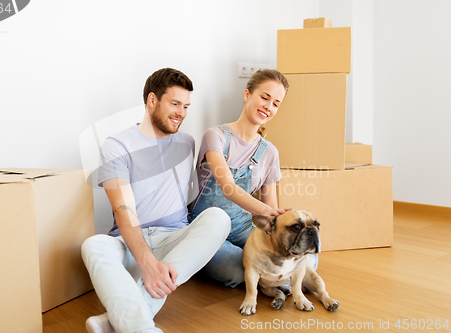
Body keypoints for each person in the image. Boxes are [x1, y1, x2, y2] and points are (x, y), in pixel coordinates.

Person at [81, 68, 231, 333]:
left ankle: (119, 323)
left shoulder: (188, 143)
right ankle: (137, 328)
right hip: (130, 242)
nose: (181, 113)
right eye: (174, 104)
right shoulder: (117, 144)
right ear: (152, 100)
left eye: (185, 106)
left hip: (174, 240)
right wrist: (147, 264)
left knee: (219, 218)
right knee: (93, 245)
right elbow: (122, 208)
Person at [188, 69, 318, 288]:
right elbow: (228, 187)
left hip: (243, 223)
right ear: (247, 94)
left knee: (309, 257)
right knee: (237, 272)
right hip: (205, 225)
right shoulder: (217, 136)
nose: (269, 107)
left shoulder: (269, 153)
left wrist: (281, 224)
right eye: (264, 97)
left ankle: (274, 279)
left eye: (276, 103)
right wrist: (266, 212)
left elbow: (270, 208)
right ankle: (278, 280)